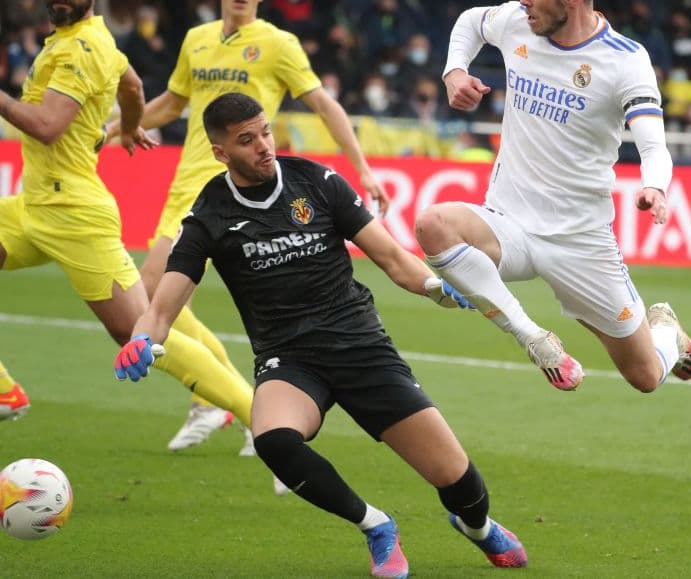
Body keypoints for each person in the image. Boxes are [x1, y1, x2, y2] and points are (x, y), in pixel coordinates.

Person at [114, 92, 527, 578]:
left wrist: (435, 287)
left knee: (457, 480)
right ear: (221, 152)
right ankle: (376, 526)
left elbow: (392, 258)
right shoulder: (208, 214)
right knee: (273, 440)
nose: (264, 145)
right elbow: (162, 307)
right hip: (288, 359)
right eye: (247, 140)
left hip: (361, 346)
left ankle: (477, 528)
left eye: (265, 131)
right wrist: (141, 339)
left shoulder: (316, 181)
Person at [108, 0, 390, 453]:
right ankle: (214, 400)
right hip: (187, 185)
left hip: (240, 190)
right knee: (159, 298)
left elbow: (325, 105)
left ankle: (227, 402)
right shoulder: (196, 39)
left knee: (148, 292)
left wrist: (364, 170)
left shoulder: (278, 44)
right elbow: (172, 102)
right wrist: (114, 128)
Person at [414, 0, 691, 393]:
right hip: (508, 221)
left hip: (579, 240)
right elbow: (470, 22)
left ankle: (668, 332)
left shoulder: (624, 60)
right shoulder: (516, 23)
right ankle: (534, 339)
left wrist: (655, 185)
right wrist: (454, 72)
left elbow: (653, 144)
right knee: (432, 224)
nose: (522, 1)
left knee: (645, 376)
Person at [0, 0, 253, 430]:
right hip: (34, 206)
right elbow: (133, 85)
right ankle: (5, 392)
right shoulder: (92, 40)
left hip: (74, 216)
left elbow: (48, 126)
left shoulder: (80, 50)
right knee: (146, 330)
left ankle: (260, 417)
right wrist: (131, 124)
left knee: (142, 334)